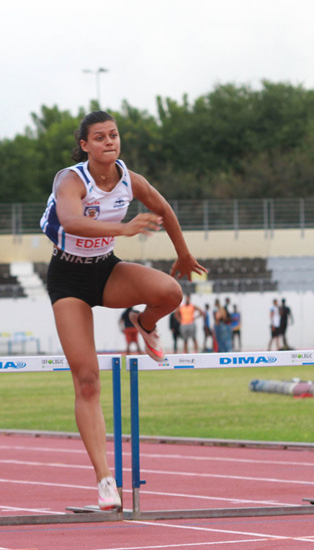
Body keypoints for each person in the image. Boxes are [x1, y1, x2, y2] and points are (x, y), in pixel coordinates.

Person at [39, 110, 207, 511]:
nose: (109, 142)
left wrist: (183, 254)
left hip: (105, 270)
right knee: (88, 379)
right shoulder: (71, 179)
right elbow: (71, 220)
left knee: (170, 292)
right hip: (67, 279)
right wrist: (124, 228)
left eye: (113, 135)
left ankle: (143, 322)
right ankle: (104, 480)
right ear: (85, 145)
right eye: (99, 138)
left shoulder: (131, 180)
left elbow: (163, 209)